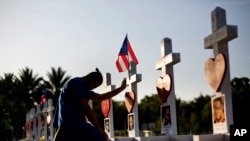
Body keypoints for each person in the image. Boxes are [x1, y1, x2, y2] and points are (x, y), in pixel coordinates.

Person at [53, 68, 127, 141]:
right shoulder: (78, 84)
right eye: (94, 86)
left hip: (68, 125)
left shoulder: (83, 88)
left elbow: (101, 97)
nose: (92, 88)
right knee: (100, 138)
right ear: (90, 78)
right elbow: (87, 110)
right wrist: (99, 129)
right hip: (73, 124)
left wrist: (121, 88)